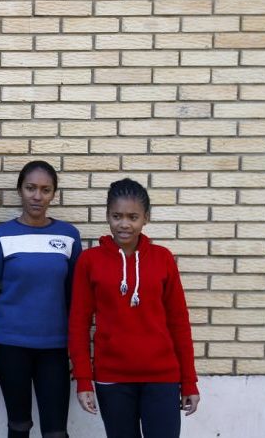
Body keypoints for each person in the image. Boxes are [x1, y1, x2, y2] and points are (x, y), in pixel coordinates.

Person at [68, 178, 200, 438]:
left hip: (162, 377)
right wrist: (84, 379)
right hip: (112, 378)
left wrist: (189, 382)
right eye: (117, 216)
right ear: (107, 215)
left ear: (146, 218)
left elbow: (179, 322)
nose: (124, 224)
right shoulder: (89, 261)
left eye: (133, 216)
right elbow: (78, 323)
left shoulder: (162, 259)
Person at [0, 161, 81, 438]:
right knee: (19, 426)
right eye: (31, 188)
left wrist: (79, 351)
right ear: (20, 190)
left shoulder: (68, 237)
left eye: (45, 190)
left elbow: (77, 299)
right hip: (10, 346)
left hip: (55, 348)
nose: (37, 196)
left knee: (56, 431)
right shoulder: (0, 236)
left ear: (53, 194)